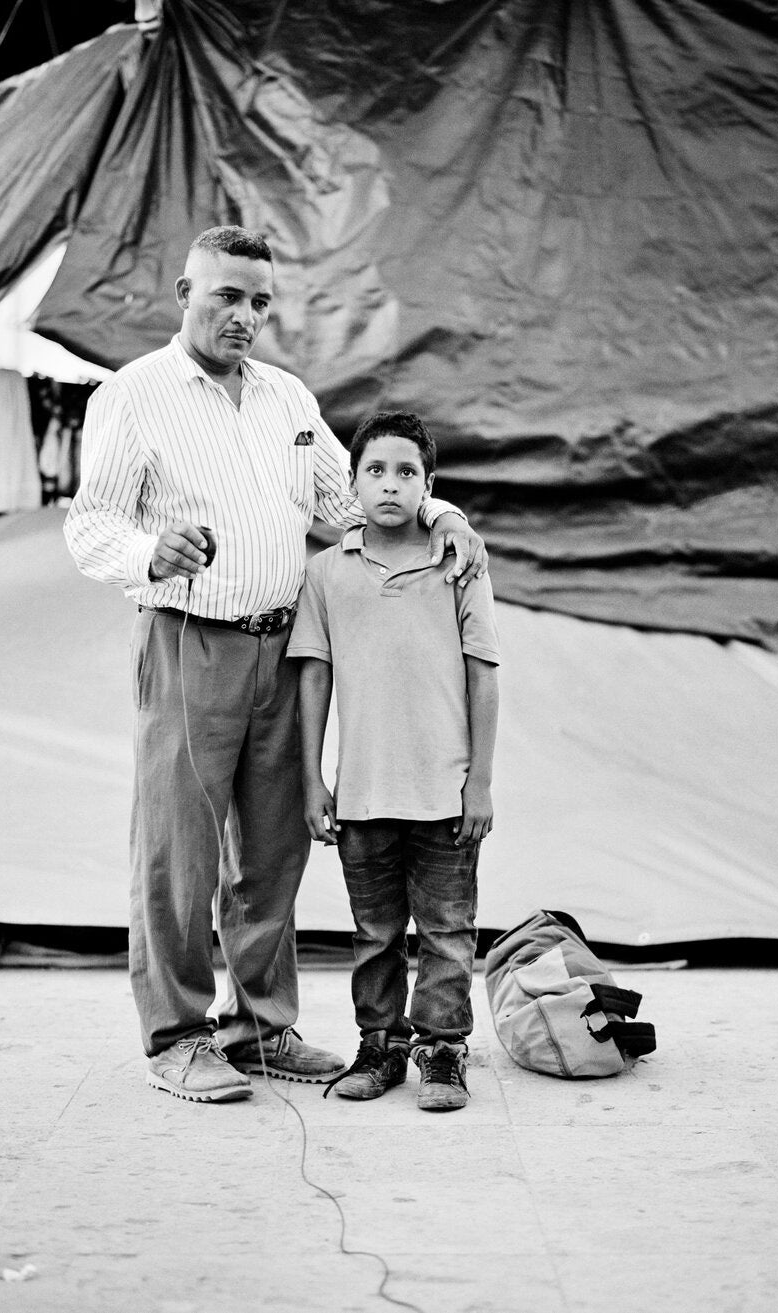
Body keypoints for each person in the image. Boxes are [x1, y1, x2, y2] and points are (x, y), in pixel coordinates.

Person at [64, 226, 487, 1104]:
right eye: (226, 295)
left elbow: (351, 498)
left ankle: (258, 1026)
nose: (245, 315)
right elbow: (89, 524)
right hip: (189, 639)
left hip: (287, 646)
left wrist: (441, 513)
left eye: (259, 301)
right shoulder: (134, 395)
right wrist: (150, 550)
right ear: (185, 293)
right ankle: (177, 1036)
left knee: (273, 850)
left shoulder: (288, 400)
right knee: (178, 851)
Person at [288, 410, 500, 1112]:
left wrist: (481, 782)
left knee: (446, 930)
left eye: (407, 471)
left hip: (444, 792)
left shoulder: (459, 562)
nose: (390, 483)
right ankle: (380, 1045)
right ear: (352, 483)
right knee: (374, 932)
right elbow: (313, 675)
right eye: (375, 470)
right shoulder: (326, 572)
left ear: (429, 484)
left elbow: (484, 673)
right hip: (364, 794)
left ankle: (442, 1050)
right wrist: (312, 778)